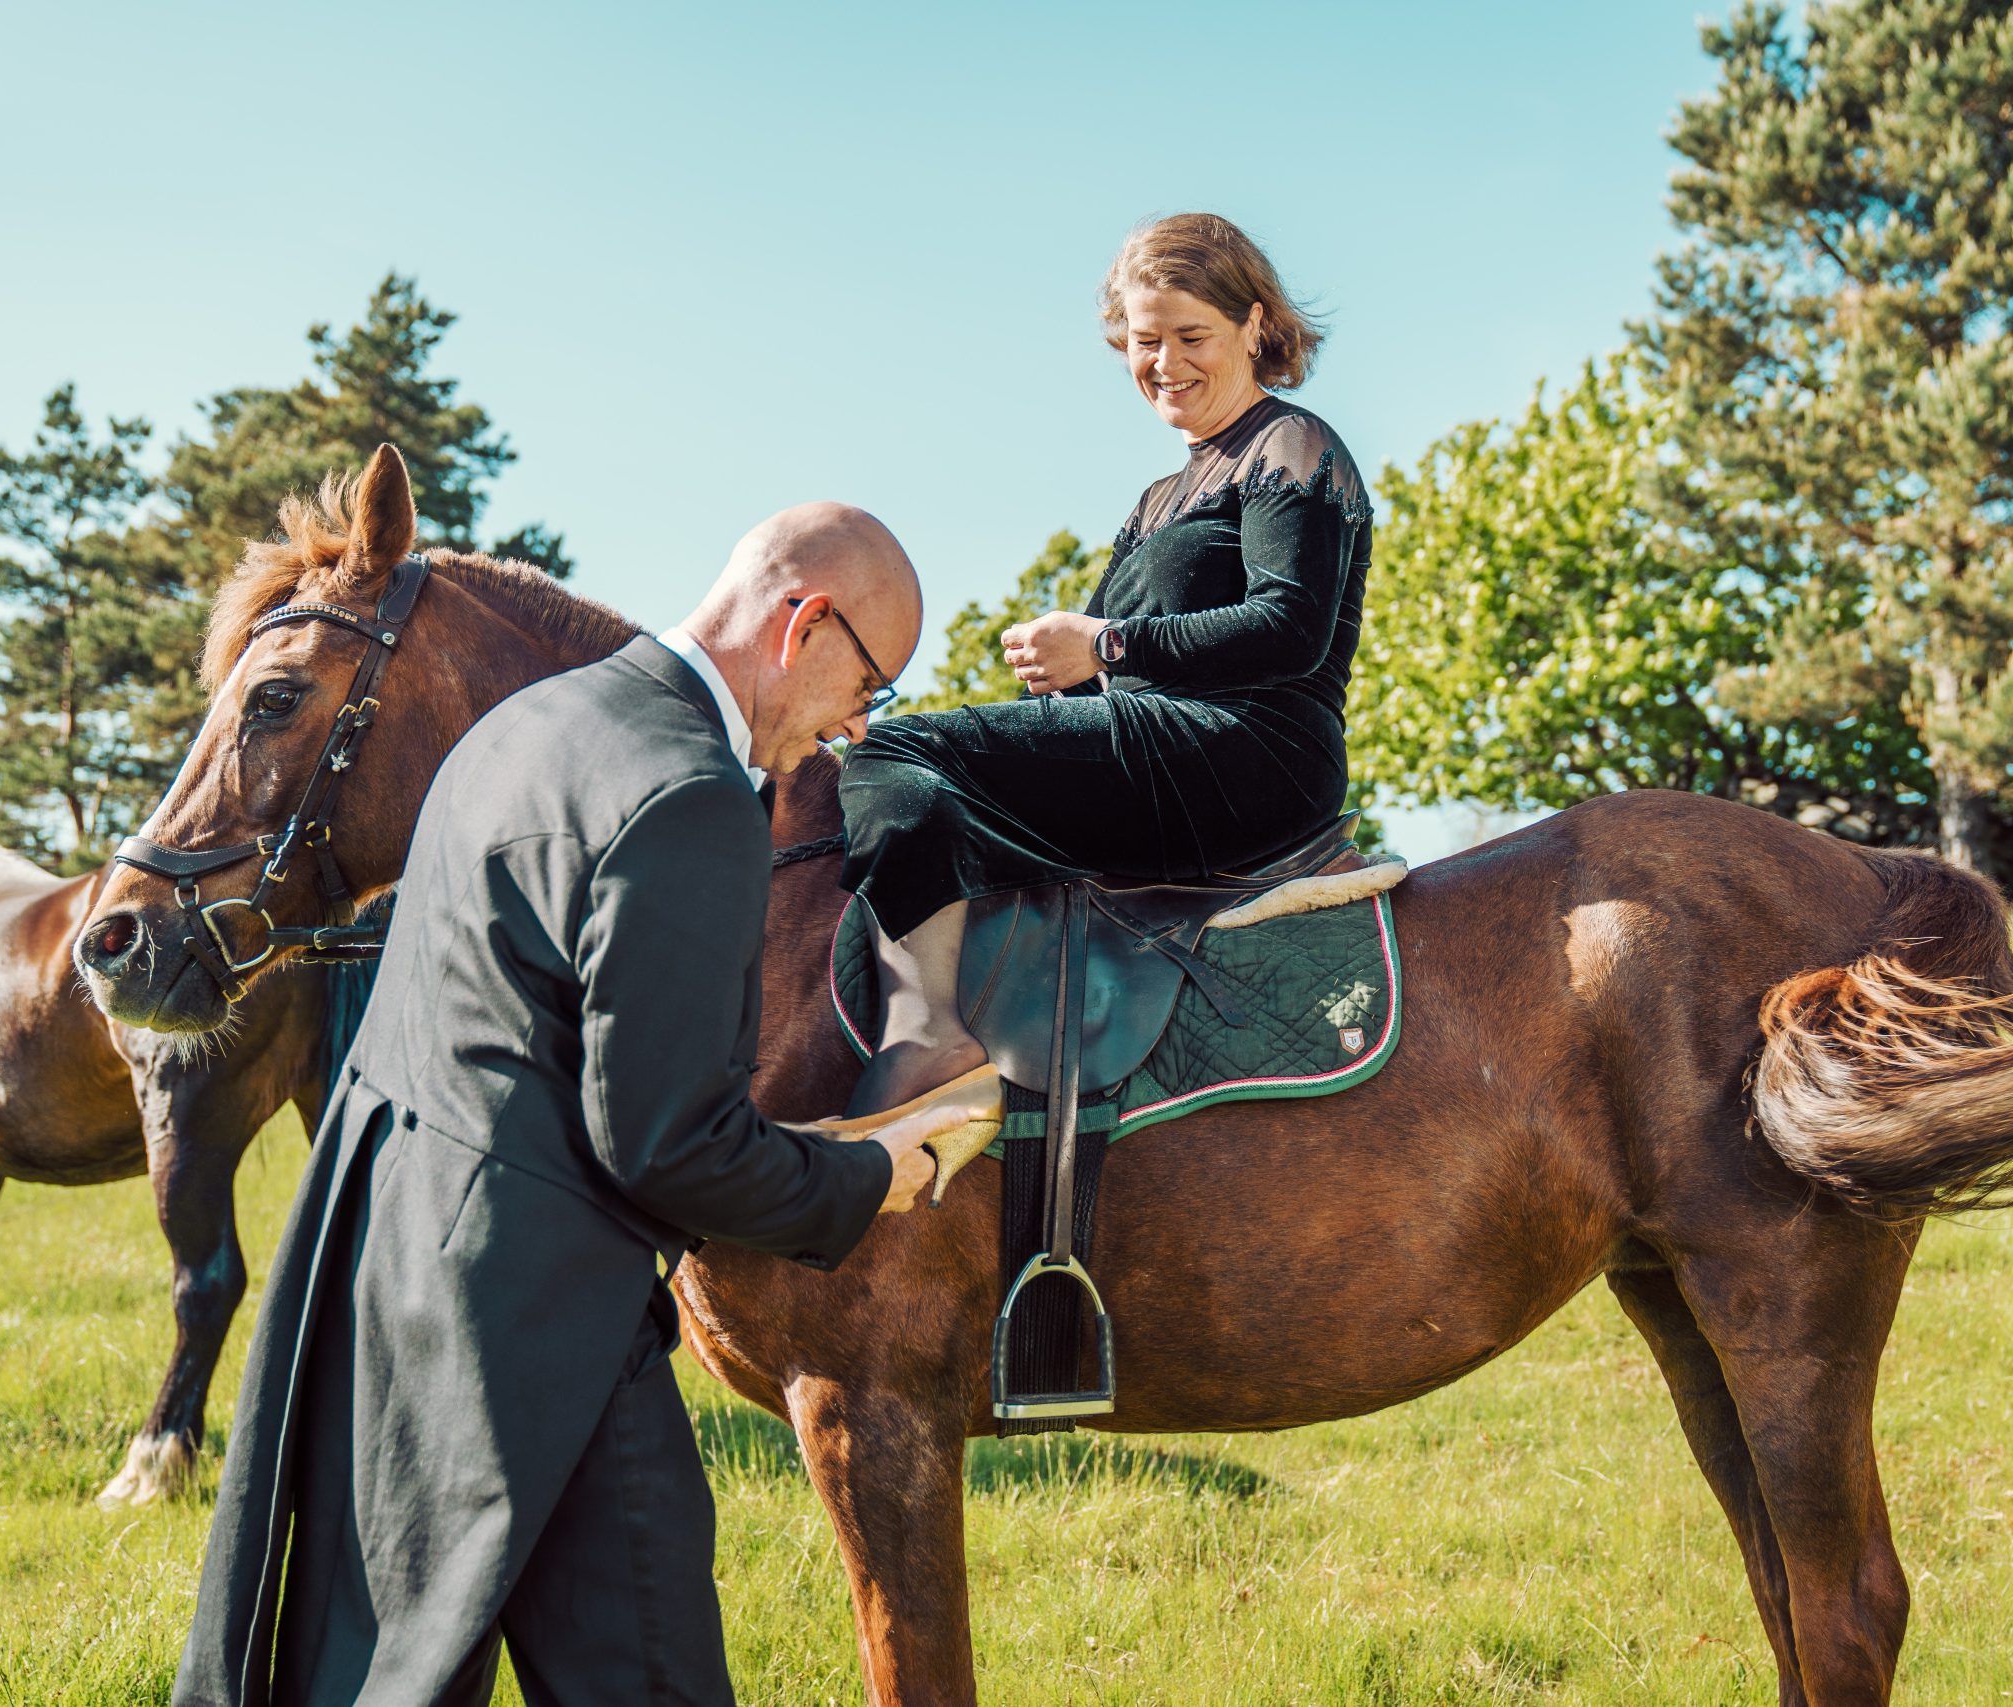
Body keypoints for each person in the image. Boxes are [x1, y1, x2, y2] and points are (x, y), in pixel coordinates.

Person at [172, 500, 959, 1707]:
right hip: (535, 1321)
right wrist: (881, 1170)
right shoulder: (693, 795)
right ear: (805, 624)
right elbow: (665, 1149)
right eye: (872, 684)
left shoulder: (530, 725)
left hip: (392, 1274)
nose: (859, 725)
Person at [836, 212, 1375, 1118]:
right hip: (1164, 746)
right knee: (928, 786)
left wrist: (1105, 644)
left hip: (1254, 753)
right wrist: (1067, 673)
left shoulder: (1292, 443)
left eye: (1191, 335)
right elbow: (1119, 669)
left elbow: (1291, 628)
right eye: (1142, 340)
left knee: (893, 757)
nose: (1165, 362)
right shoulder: (1158, 498)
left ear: (1255, 326)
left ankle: (927, 1036)